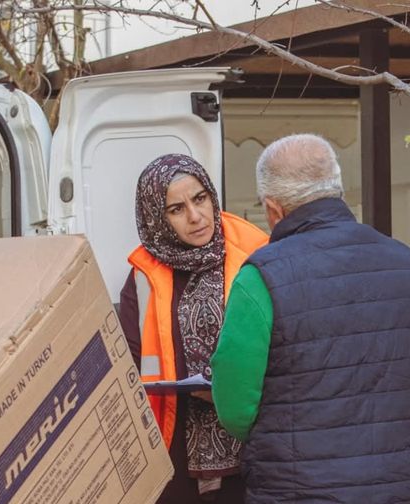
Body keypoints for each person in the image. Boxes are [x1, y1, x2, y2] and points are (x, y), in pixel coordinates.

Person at [211, 134, 410, 503]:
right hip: (402, 488)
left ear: (273, 209)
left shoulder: (261, 277)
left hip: (300, 489)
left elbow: (235, 408)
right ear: (338, 189)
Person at [118, 153, 269, 503]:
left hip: (251, 446)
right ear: (157, 218)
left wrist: (229, 390)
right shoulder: (143, 276)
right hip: (173, 445)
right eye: (176, 209)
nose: (196, 216)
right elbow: (128, 359)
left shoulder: (257, 253)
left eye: (200, 198)